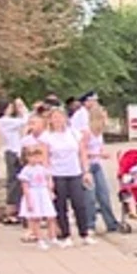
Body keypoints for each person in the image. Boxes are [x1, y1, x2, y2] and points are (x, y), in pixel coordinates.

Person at [43, 105, 94, 246]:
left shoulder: (74, 134)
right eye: (55, 118)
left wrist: (86, 171)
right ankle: (65, 235)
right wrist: (48, 179)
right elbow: (45, 159)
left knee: (79, 203)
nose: (58, 120)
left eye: (60, 117)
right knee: (60, 205)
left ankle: (84, 233)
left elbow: (82, 153)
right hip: (57, 174)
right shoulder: (47, 137)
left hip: (74, 172)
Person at [83, 102, 123, 234]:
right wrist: (99, 154)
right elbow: (82, 152)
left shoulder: (99, 134)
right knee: (90, 197)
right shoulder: (87, 133)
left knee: (104, 194)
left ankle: (111, 222)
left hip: (97, 165)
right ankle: (89, 224)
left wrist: (102, 154)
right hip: (88, 165)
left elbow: (99, 148)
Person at [16, 143, 56, 247]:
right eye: (32, 156)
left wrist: (50, 191)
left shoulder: (42, 168)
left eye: (37, 156)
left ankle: (53, 237)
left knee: (51, 216)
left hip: (43, 192)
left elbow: (48, 179)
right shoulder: (26, 171)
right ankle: (39, 239)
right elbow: (25, 187)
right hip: (33, 193)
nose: (35, 159)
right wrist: (29, 201)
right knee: (36, 218)